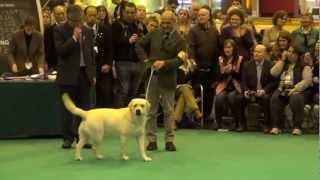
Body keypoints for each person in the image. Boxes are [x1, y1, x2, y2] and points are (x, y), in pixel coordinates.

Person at [135, 10, 186, 151]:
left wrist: (165, 63)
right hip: (152, 77)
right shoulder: (154, 33)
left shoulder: (180, 40)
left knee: (169, 111)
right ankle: (152, 140)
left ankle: (169, 140)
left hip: (168, 78)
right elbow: (138, 44)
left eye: (168, 23)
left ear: (174, 22)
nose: (165, 25)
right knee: (150, 111)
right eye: (163, 22)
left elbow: (181, 59)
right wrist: (145, 60)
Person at [54, 5, 96, 148]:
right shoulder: (59, 30)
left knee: (84, 109)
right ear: (68, 17)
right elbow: (60, 51)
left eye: (79, 20)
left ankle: (82, 138)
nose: (77, 24)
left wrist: (92, 74)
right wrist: (73, 38)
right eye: (74, 21)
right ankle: (67, 138)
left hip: (85, 74)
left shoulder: (88, 31)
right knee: (67, 109)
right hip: (67, 76)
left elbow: (91, 54)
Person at [269, 45, 313, 135]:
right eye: (289, 51)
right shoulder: (283, 64)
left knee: (296, 98)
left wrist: (294, 89)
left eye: (293, 52)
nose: (290, 54)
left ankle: (297, 127)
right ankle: (276, 126)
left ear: (298, 55)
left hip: (298, 90)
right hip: (283, 89)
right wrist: (282, 60)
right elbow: (273, 73)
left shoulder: (304, 66)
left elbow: (307, 81)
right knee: (275, 98)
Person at [112, 2, 147, 108]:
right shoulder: (116, 24)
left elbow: (147, 41)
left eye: (132, 12)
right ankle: (119, 116)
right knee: (123, 91)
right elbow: (112, 42)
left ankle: (130, 118)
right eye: (127, 12)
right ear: (122, 12)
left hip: (139, 63)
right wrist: (127, 40)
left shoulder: (140, 25)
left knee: (134, 93)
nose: (130, 15)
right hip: (123, 62)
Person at [188, 8, 220, 120]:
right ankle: (197, 117)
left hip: (213, 68)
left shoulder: (214, 31)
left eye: (203, 15)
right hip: (198, 68)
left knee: (210, 93)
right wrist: (192, 60)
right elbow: (190, 47)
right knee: (199, 93)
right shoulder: (193, 30)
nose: (200, 17)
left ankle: (206, 117)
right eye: (199, 15)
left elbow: (218, 47)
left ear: (209, 17)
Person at [242, 44, 278, 133]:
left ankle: (267, 124)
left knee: (266, 98)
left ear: (265, 54)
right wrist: (246, 91)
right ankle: (241, 124)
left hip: (265, 92)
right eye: (255, 51)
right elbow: (243, 81)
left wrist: (264, 90)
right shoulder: (247, 65)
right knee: (235, 98)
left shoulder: (271, 65)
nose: (256, 54)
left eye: (259, 52)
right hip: (251, 92)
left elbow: (274, 82)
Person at [84, 6, 114, 108]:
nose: (92, 18)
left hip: (102, 68)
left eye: (94, 15)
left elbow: (110, 49)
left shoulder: (104, 29)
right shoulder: (80, 30)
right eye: (90, 15)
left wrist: (108, 64)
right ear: (85, 16)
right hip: (86, 69)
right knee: (88, 96)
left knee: (105, 95)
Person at [214, 39, 244, 131]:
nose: (227, 49)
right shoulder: (220, 59)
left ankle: (238, 123)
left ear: (233, 48)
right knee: (219, 98)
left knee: (232, 97)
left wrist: (232, 72)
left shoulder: (240, 59)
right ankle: (218, 122)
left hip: (237, 86)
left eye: (229, 47)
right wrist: (225, 73)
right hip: (224, 86)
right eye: (225, 47)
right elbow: (216, 77)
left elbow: (242, 77)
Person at [44, 5, 66, 71]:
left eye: (62, 13)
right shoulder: (49, 30)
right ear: (54, 15)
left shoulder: (71, 28)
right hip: (54, 65)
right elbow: (47, 49)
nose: (61, 16)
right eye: (58, 14)